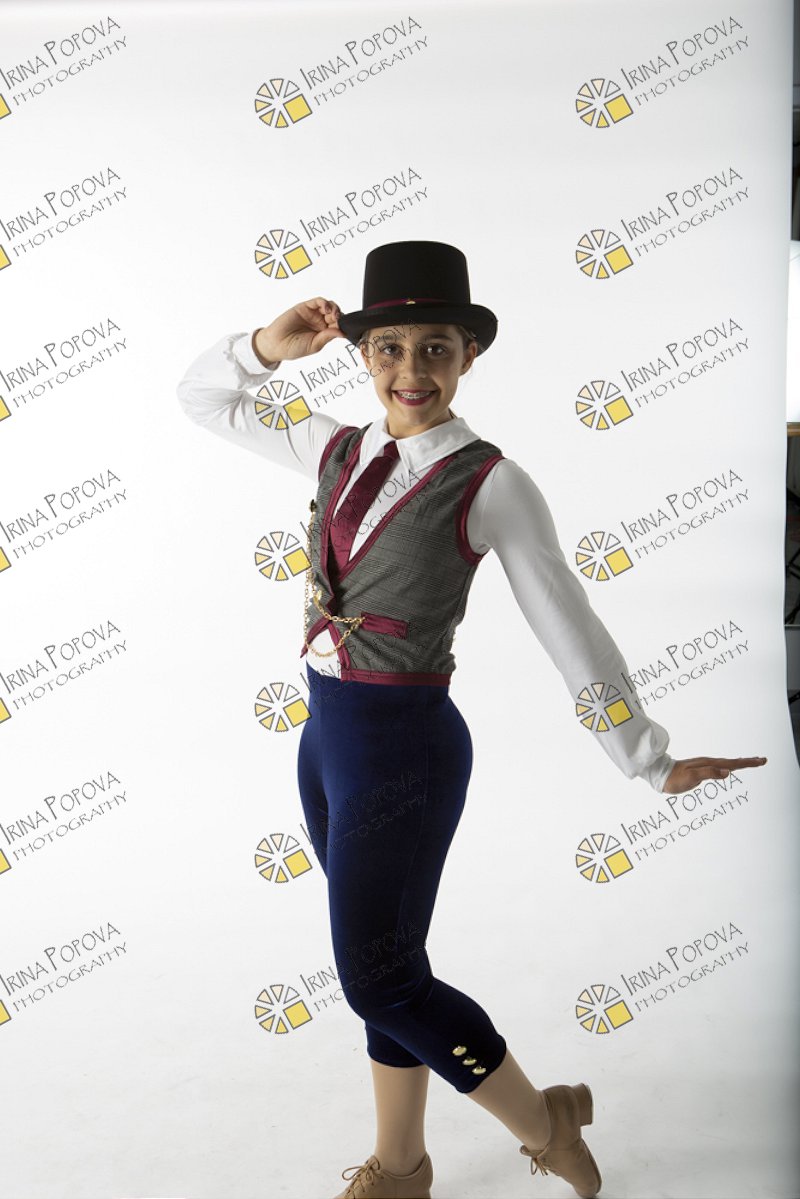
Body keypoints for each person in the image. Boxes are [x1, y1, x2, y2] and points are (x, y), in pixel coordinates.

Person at [176, 241, 767, 1199]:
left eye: (436, 349)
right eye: (390, 348)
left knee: (377, 979)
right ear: (362, 355)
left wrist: (647, 758)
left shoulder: (491, 481)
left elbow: (570, 624)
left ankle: (545, 1122)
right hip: (325, 738)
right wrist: (265, 348)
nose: (411, 370)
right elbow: (204, 398)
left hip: (404, 749)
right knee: (390, 966)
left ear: (468, 356)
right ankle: (402, 1166)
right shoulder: (333, 446)